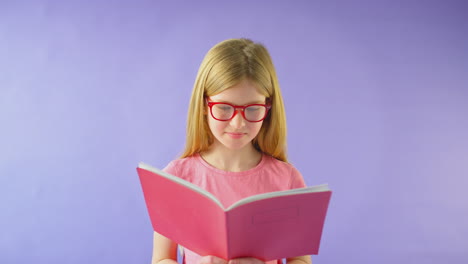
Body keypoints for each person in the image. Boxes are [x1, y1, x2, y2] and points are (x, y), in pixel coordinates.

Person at [152, 38, 312, 264]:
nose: (238, 124)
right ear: (204, 105)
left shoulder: (288, 180)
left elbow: (301, 260)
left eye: (253, 109)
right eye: (224, 107)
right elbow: (161, 260)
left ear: (268, 107)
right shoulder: (176, 178)